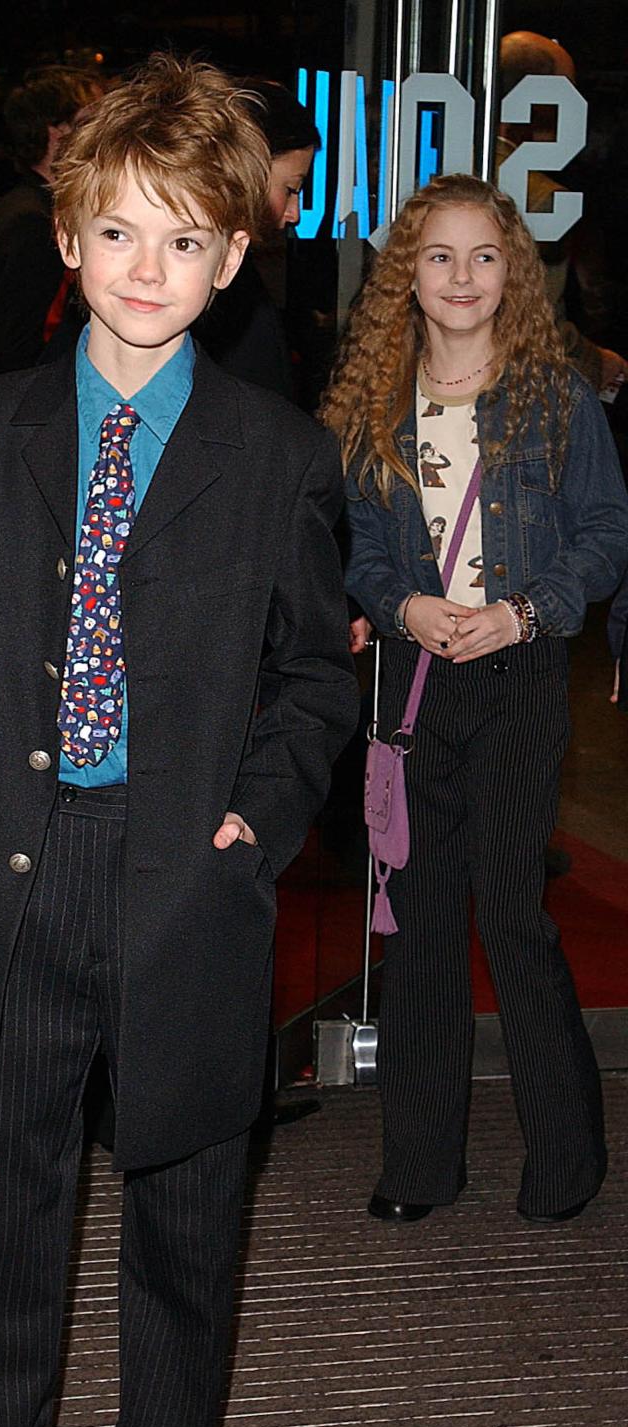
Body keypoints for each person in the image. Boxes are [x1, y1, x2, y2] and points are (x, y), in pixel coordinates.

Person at [0, 53, 357, 1427]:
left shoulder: (279, 459)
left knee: (184, 1232)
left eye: (185, 239)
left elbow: (319, 673)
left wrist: (254, 812)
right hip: (23, 888)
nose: (147, 267)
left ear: (234, 259)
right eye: (119, 231)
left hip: (188, 894)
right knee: (8, 1229)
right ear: (71, 239)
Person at [322, 173, 628, 1225]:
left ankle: (566, 1157)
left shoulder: (557, 398)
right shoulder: (371, 403)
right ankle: (418, 1164)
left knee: (509, 911)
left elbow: (604, 536)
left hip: (521, 677)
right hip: (413, 685)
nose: (461, 276)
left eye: (484, 256)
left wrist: (524, 612)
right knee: (417, 928)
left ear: (516, 273)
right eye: (439, 256)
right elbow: (357, 549)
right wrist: (402, 604)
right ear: (406, 274)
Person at [497, 30, 627, 395]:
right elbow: (534, 324)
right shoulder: (539, 198)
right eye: (566, 91)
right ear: (542, 98)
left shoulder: (432, 168)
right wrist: (596, 361)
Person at [0, 66, 101, 382]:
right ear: (57, 131)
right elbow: (18, 346)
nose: (104, 134)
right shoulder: (33, 220)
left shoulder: (34, 206)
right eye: (92, 122)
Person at [197, 76, 319, 400]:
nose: (294, 212)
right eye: (290, 189)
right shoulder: (216, 285)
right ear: (247, 167)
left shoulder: (231, 274)